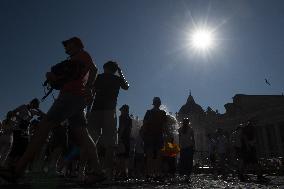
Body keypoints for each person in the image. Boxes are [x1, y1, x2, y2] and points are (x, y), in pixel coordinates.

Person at [0, 37, 102, 183]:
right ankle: (98, 171)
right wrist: (86, 87)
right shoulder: (80, 58)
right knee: (83, 134)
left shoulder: (81, 55)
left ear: (78, 46)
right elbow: (88, 71)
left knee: (43, 127)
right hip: (77, 99)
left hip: (70, 96)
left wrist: (87, 87)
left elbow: (88, 71)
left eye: (69, 46)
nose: (66, 49)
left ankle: (17, 170)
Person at [87, 60, 129, 180]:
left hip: (96, 109)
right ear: (115, 70)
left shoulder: (98, 77)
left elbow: (92, 93)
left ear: (105, 67)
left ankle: (86, 170)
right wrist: (121, 73)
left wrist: (88, 110)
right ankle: (108, 173)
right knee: (110, 143)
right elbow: (127, 86)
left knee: (91, 140)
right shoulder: (117, 79)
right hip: (109, 111)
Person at [141, 97, 167, 178]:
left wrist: (143, 135)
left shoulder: (148, 112)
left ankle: (149, 173)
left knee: (150, 155)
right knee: (158, 155)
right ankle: (157, 173)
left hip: (150, 136)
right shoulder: (162, 113)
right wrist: (166, 135)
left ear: (154, 103)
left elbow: (144, 124)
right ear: (159, 103)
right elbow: (164, 126)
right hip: (158, 135)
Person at [116, 104, 132, 177]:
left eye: (121, 110)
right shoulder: (129, 118)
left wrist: (119, 138)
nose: (120, 111)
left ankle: (119, 172)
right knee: (126, 157)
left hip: (122, 139)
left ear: (124, 110)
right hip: (127, 139)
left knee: (120, 156)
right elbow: (129, 129)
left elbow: (122, 127)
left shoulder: (122, 117)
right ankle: (125, 173)